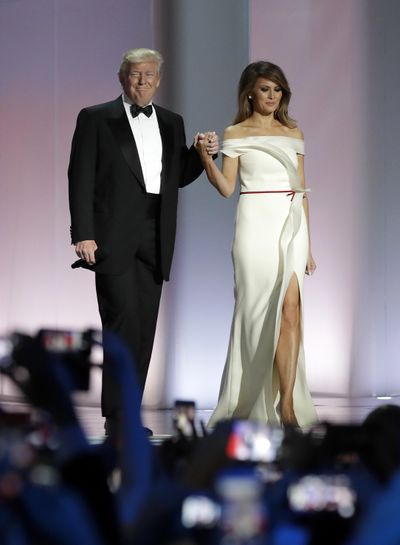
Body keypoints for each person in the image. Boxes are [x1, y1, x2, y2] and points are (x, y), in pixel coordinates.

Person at [68, 48, 218, 434]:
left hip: (156, 237)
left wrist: (201, 155)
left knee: (144, 330)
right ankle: (117, 419)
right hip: (112, 238)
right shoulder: (96, 118)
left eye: (149, 74)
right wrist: (82, 233)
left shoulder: (172, 121)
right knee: (121, 325)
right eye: (135, 74)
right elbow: (80, 178)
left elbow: (176, 177)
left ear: (158, 79)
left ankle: (129, 416)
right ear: (123, 77)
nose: (142, 81)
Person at [196, 61, 317, 428]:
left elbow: (302, 188)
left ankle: (288, 406)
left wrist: (309, 245)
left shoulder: (293, 132)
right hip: (253, 222)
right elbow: (227, 187)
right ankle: (248, 397)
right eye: (265, 89)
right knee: (255, 315)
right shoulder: (235, 133)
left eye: (277, 90)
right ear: (250, 91)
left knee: (291, 310)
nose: (271, 96)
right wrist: (206, 159)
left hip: (290, 221)